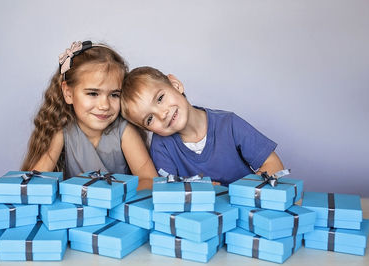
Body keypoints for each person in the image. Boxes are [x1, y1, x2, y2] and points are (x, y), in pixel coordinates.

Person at [120, 66, 284, 186]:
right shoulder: (161, 145)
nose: (162, 114)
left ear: (175, 85)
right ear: (148, 129)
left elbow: (273, 163)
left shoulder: (229, 124)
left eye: (160, 98)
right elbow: (168, 192)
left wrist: (237, 192)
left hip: (247, 210)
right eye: (149, 119)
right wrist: (199, 191)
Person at [21, 41, 157, 182]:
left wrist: (111, 192)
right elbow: (35, 180)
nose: (104, 105)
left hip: (118, 203)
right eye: (93, 93)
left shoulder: (124, 131)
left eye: (114, 95)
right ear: (68, 93)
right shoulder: (63, 130)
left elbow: (149, 180)